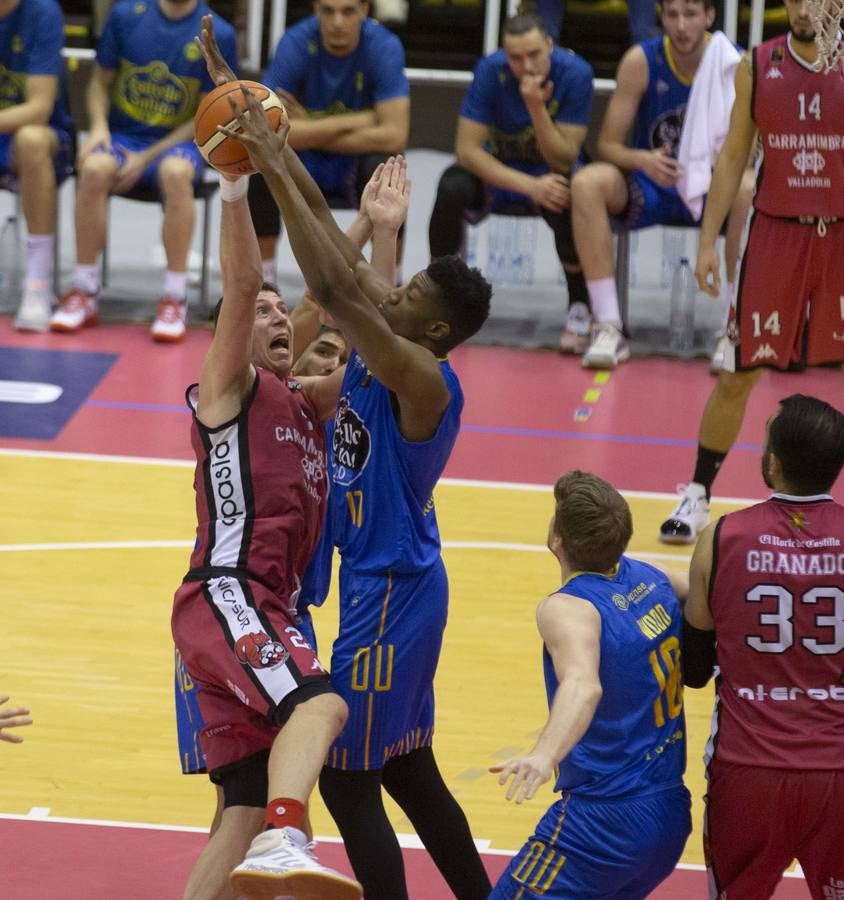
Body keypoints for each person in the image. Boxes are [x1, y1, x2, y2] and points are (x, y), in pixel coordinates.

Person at [215, 72, 494, 898]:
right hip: (397, 585)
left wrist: (271, 164)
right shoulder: (399, 340)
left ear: (432, 328)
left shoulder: (420, 376)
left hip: (390, 592)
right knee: (408, 768)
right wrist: (281, 152)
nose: (391, 288)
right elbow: (345, 268)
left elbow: (336, 290)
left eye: (406, 294)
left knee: (344, 778)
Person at [169, 118, 364, 900]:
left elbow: (342, 303)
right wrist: (234, 179)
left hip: (257, 605)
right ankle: (291, 835)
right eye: (268, 315)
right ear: (233, 334)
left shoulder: (305, 400)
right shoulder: (228, 391)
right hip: (228, 595)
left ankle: (269, 828)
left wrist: (376, 233)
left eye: (291, 317)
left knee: (239, 807)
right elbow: (246, 287)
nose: (284, 320)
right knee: (322, 707)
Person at [658, 0, 844, 543]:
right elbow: (734, 155)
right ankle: (697, 493)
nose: (806, 6)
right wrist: (709, 241)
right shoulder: (758, 64)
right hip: (777, 234)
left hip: (838, 232)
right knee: (738, 372)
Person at [488, 470, 691, 899]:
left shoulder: (567, 607)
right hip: (670, 811)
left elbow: (583, 684)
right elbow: (718, 595)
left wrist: (544, 755)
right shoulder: (656, 579)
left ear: (557, 538)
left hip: (602, 822)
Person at [683, 394, 844, 898]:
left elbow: (692, 669)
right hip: (837, 772)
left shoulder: (721, 537)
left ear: (773, 462)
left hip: (746, 769)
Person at [570, 0, 752, 368]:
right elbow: (607, 145)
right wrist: (643, 160)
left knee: (747, 188)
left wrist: (714, 169)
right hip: (653, 185)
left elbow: (749, 154)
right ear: (660, 16)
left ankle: (731, 329)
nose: (682, 25)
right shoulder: (641, 61)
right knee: (587, 182)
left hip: (712, 189)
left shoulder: (735, 63)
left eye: (691, 15)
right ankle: (607, 325)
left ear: (709, 16)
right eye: (673, 15)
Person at [48, 0, 238, 343]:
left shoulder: (217, 31)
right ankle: (84, 289)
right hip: (123, 138)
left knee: (176, 172)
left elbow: (208, 112)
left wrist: (148, 155)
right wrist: (99, 129)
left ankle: (174, 297)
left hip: (177, 143)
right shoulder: (125, 15)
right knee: (93, 167)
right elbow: (98, 83)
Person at [428, 12, 594, 354]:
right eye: (516, 57)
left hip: (550, 172)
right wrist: (530, 187)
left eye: (534, 54)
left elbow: (563, 158)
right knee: (451, 186)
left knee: (572, 194)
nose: (526, 65)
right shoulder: (490, 70)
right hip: (502, 173)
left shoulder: (577, 74)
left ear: (550, 45)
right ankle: (442, 298)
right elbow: (467, 151)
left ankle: (580, 306)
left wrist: (536, 107)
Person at [247, 0, 410, 284]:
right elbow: (267, 131)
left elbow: (395, 135)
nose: (337, 22)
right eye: (328, 11)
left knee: (388, 172)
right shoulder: (295, 42)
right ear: (315, 10)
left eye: (347, 11)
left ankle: (391, 287)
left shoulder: (385, 46)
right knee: (264, 165)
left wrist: (307, 126)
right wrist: (365, 119)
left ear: (364, 10)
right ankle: (265, 282)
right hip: (305, 162)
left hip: (356, 163)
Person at [0, 0, 75, 333]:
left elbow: (39, 108)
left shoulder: (41, 12)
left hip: (42, 137)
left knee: (31, 139)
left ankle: (37, 284)